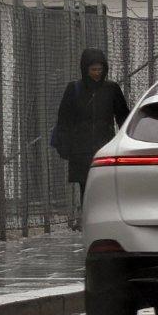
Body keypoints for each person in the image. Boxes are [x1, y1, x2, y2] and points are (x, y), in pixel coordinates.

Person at [50, 48, 130, 202]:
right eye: (93, 69)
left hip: (105, 145)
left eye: (100, 69)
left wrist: (125, 140)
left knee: (106, 185)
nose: (97, 73)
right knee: (86, 187)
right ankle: (88, 219)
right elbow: (64, 119)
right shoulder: (74, 89)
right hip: (81, 149)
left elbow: (123, 116)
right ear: (85, 69)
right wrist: (65, 145)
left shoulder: (112, 89)